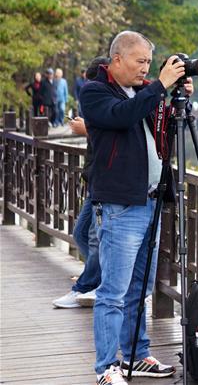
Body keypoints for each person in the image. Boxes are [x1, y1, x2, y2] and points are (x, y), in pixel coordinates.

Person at [81, 31, 191, 385]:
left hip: (151, 201)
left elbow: (166, 132)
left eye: (149, 62)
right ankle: (106, 368)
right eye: (140, 61)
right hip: (120, 206)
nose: (145, 68)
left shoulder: (145, 94)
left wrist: (177, 98)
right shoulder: (95, 92)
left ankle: (137, 354)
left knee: (139, 288)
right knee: (113, 292)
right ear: (117, 60)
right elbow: (123, 117)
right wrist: (158, 85)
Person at [51, 57, 109, 309]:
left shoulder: (111, 98)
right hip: (94, 179)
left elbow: (118, 132)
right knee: (81, 234)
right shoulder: (98, 99)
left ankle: (86, 286)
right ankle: (96, 278)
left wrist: (87, 129)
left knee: (95, 238)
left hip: (106, 182)